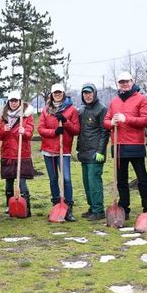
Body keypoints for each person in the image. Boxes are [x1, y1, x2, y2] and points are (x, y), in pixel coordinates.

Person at [103, 71, 147, 219]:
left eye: (126, 81)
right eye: (121, 82)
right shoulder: (114, 101)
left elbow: (145, 120)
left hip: (135, 144)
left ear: (132, 81)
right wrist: (110, 123)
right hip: (118, 146)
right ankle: (124, 207)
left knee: (142, 179)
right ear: (118, 84)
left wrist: (127, 119)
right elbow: (106, 120)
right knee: (121, 180)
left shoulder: (141, 99)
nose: (124, 84)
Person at [38, 83, 80, 221]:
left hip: (64, 150)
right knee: (53, 179)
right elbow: (41, 129)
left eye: (59, 92)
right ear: (51, 94)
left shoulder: (71, 110)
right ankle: (56, 205)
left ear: (63, 93)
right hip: (49, 150)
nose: (57, 94)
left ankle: (68, 207)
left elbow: (76, 130)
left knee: (66, 179)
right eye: (55, 92)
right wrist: (54, 132)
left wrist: (65, 121)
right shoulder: (46, 110)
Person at [76, 83, 110, 221]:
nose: (87, 95)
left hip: (96, 153)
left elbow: (105, 131)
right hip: (84, 151)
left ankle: (98, 210)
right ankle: (92, 207)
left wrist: (101, 151)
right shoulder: (82, 110)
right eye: (85, 93)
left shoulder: (101, 109)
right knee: (87, 182)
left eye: (89, 93)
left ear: (94, 93)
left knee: (94, 181)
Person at [0, 90, 35, 217]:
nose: (13, 103)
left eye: (16, 101)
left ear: (20, 102)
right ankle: (10, 206)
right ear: (8, 102)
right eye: (11, 101)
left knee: (22, 182)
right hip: (8, 153)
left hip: (22, 153)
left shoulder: (27, 116)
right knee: (9, 182)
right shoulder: (4, 116)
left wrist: (24, 131)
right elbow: (0, 136)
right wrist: (4, 131)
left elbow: (30, 134)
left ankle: (26, 206)